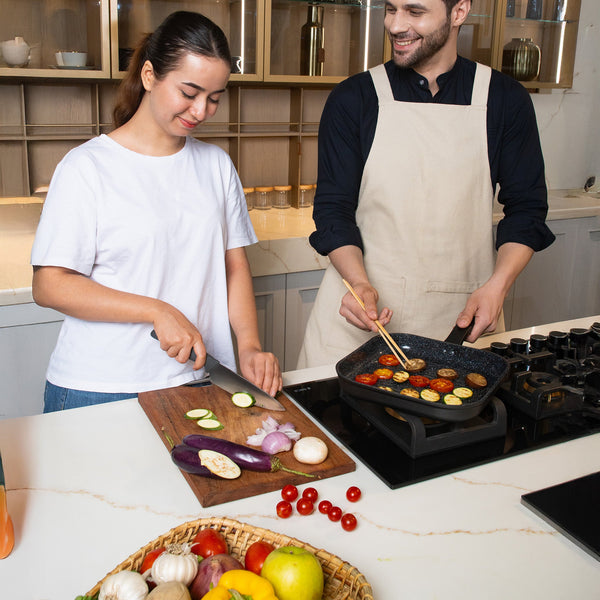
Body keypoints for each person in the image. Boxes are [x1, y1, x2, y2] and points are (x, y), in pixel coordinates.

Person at [31, 11, 281, 412]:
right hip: (100, 387)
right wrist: (156, 310)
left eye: (214, 97)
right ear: (150, 75)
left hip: (199, 380)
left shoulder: (216, 166)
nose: (201, 111)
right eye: (189, 92)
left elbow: (233, 265)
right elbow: (49, 285)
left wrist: (249, 347)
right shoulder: (87, 167)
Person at [297, 0, 555, 369]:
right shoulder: (353, 98)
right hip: (359, 320)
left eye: (414, 12)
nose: (396, 25)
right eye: (390, 9)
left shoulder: (504, 99)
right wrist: (359, 283)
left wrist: (498, 286)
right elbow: (333, 210)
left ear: (459, 12)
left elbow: (527, 210)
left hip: (461, 323)